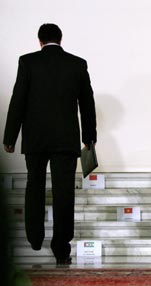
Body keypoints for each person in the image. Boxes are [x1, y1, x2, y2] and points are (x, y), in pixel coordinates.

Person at [3, 23, 97, 265]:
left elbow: (18, 100)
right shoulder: (77, 63)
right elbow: (87, 103)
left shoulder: (28, 62)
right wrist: (89, 137)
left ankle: (35, 238)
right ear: (60, 39)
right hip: (66, 140)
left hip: (36, 139)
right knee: (64, 192)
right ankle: (61, 246)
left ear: (39, 40)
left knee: (34, 185)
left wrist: (10, 137)